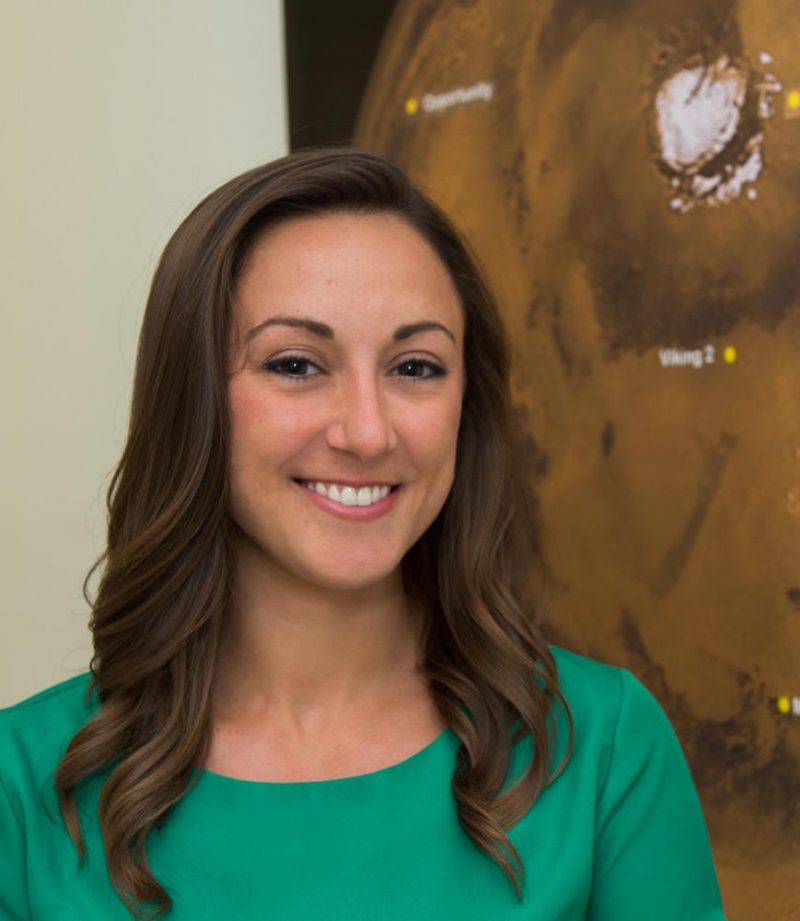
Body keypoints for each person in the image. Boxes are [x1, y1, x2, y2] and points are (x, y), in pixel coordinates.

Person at [0, 148, 726, 920]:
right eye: (296, 363)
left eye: (415, 367)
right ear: (196, 400)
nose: (368, 431)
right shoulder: (22, 782)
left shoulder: (603, 751)